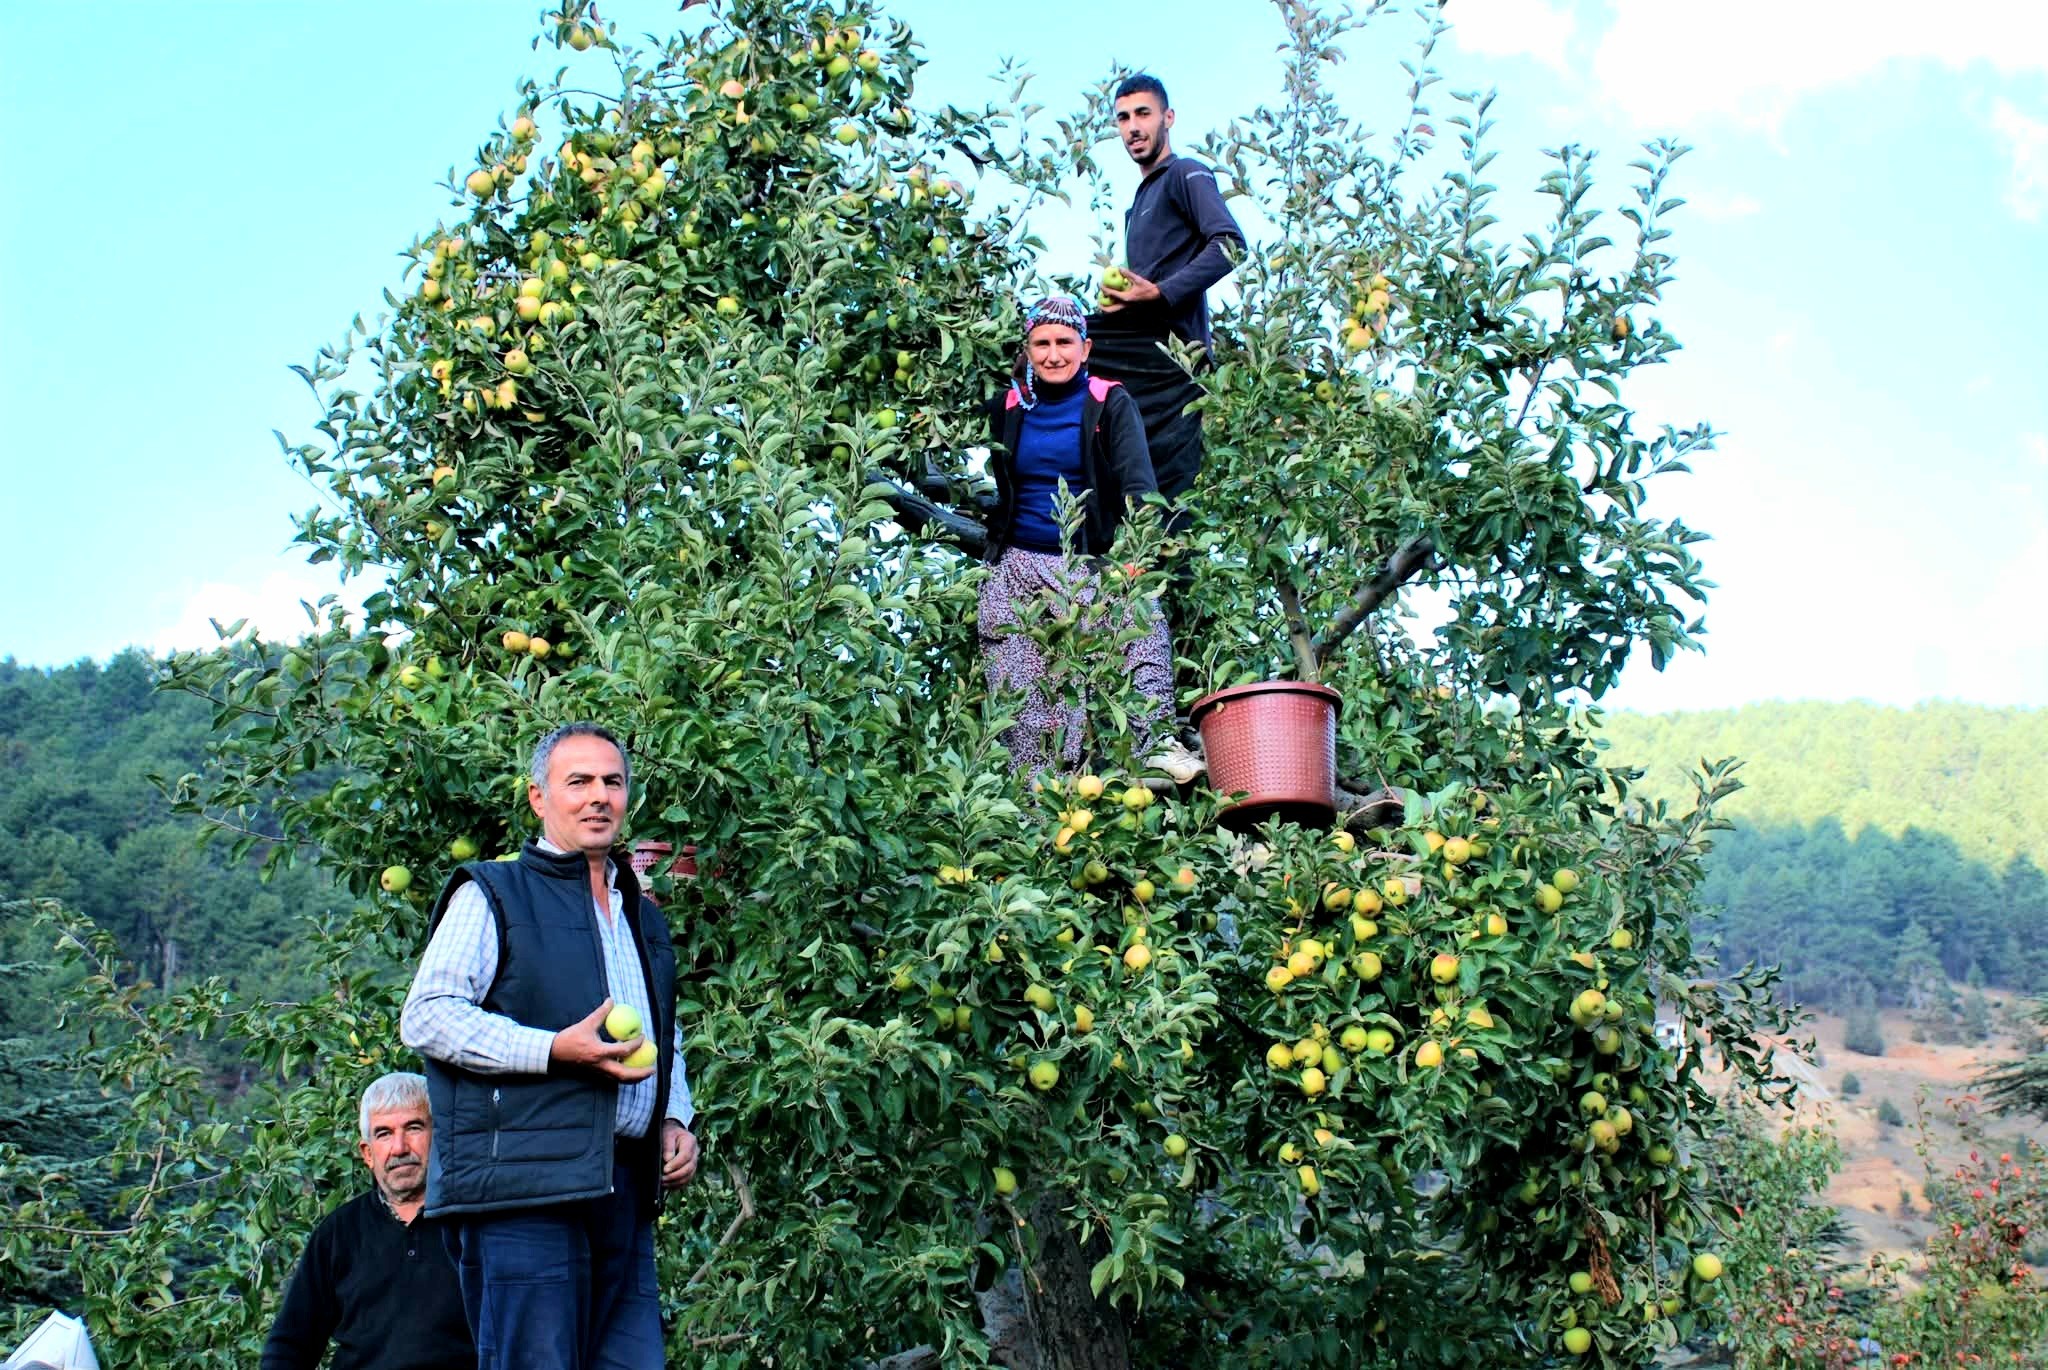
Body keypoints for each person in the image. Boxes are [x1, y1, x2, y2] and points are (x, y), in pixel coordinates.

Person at [400, 722, 700, 1370]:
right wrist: (551, 1049)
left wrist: (675, 1115)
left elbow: (661, 1028)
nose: (599, 797)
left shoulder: (641, 914)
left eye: (612, 782)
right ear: (539, 798)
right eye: (579, 782)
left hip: (621, 1183)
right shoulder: (493, 893)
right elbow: (427, 1016)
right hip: (522, 1192)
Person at [979, 296, 1173, 774]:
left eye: (1064, 342)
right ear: (1027, 350)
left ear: (1085, 348)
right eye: (1041, 343)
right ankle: (1037, 811)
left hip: (1087, 564)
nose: (1053, 354)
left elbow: (1139, 486)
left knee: (1140, 633)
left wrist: (1133, 557)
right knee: (1021, 701)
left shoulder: (1108, 401)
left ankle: (1154, 755)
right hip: (1019, 570)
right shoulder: (1008, 406)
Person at [1093, 72, 1246, 501]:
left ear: (1168, 118)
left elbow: (1230, 245)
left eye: (1143, 113)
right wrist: (1124, 302)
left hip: (1176, 354)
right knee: (1143, 490)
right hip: (1145, 355)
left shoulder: (1186, 173)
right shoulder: (1138, 204)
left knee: (1058, 338)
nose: (1133, 127)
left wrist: (1160, 294)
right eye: (1123, 118)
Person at [260, 1072, 474, 1370]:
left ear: (439, 1137)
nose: (399, 1148)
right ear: (367, 1153)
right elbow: (289, 1346)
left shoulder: (475, 1226)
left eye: (413, 1128)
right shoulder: (338, 1233)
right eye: (384, 1133)